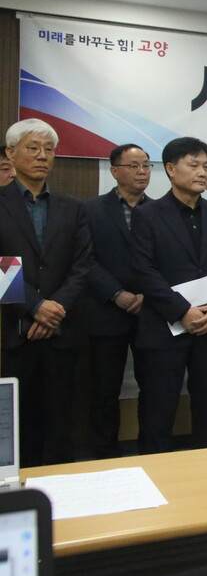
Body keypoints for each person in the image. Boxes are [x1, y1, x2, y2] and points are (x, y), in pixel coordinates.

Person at [131, 137, 207, 453]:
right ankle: (155, 471)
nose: (202, 172)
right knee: (158, 410)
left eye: (205, 166)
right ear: (170, 168)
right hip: (165, 328)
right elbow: (144, 271)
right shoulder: (147, 214)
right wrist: (182, 310)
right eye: (193, 165)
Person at [0, 119, 92, 465]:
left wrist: (54, 309)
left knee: (61, 419)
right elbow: (0, 264)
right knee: (18, 422)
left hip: (61, 330)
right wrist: (34, 306)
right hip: (13, 331)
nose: (42, 156)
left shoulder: (72, 207)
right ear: (11, 153)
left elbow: (82, 265)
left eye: (49, 150)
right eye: (33, 148)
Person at [82, 143, 153, 458]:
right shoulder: (91, 209)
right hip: (105, 312)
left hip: (150, 312)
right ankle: (104, 454)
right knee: (104, 389)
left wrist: (147, 294)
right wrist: (116, 294)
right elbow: (84, 259)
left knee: (153, 387)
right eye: (134, 166)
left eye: (146, 165)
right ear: (114, 171)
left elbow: (167, 260)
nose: (142, 172)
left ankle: (151, 451)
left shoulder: (160, 210)